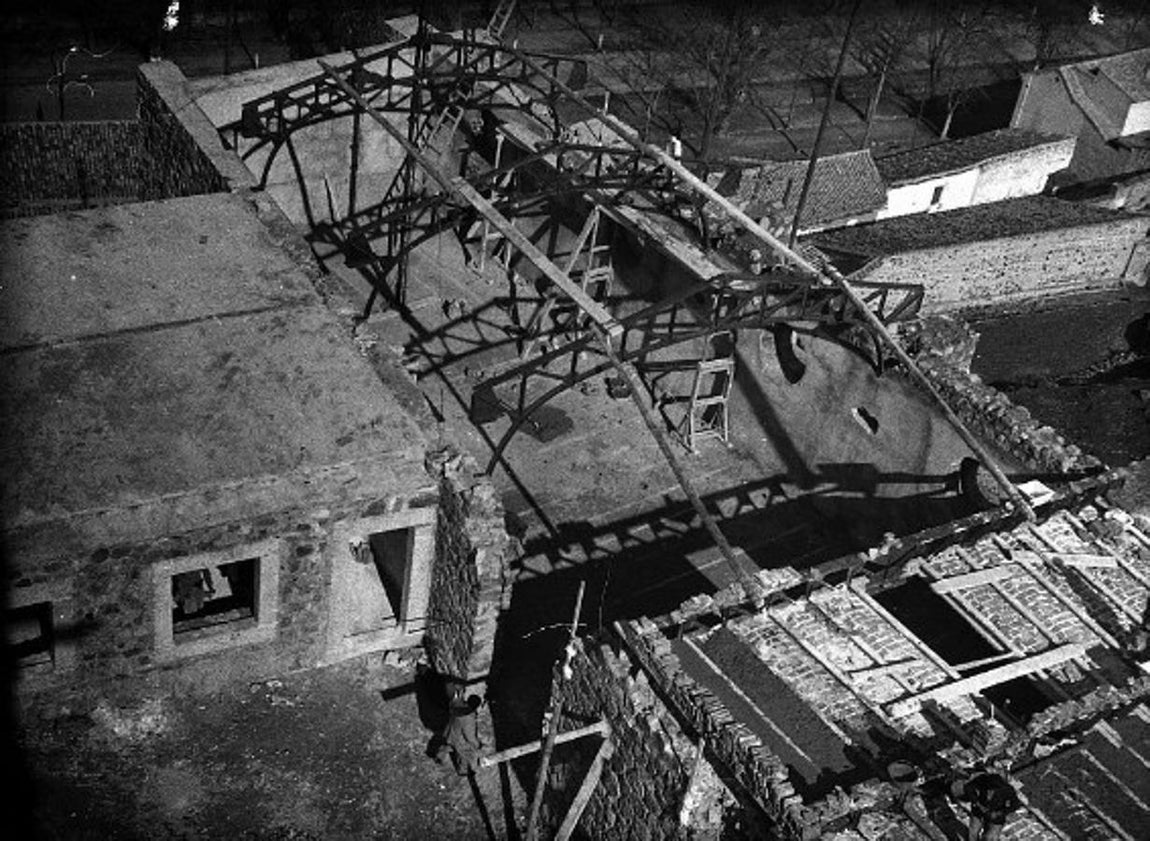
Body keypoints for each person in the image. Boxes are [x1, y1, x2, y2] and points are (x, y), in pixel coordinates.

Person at [951, 768, 1021, 841]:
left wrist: (1000, 812)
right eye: (989, 788)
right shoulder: (983, 779)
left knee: (990, 837)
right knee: (973, 832)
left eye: (994, 789)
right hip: (979, 810)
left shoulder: (1008, 790)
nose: (990, 792)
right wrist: (977, 802)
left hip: (995, 817)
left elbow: (1016, 804)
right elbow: (968, 788)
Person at [436, 693, 484, 776]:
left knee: (449, 745)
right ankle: (463, 771)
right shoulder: (468, 718)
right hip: (458, 739)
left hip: (449, 732)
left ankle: (439, 755)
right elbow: (470, 736)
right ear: (476, 707)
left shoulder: (458, 705)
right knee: (466, 753)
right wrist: (477, 744)